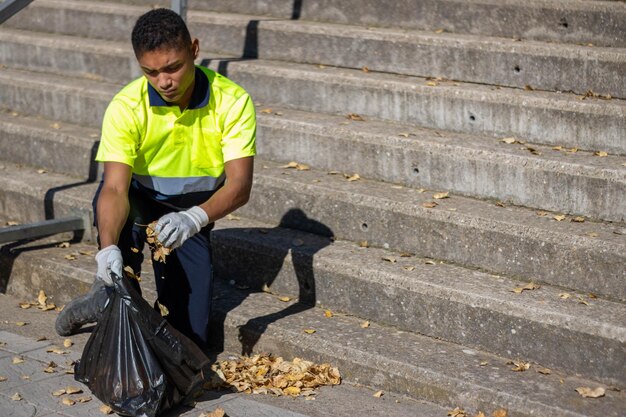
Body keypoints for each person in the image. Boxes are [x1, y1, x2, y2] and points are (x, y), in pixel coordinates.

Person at [55, 8, 256, 349]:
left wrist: (194, 218)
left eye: (173, 67)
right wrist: (106, 250)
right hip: (139, 202)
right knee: (117, 243)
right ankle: (106, 293)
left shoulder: (232, 102)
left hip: (191, 215)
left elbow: (239, 186)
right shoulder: (126, 106)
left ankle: (112, 301)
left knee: (189, 338)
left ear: (194, 49)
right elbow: (115, 187)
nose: (164, 81)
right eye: (150, 72)